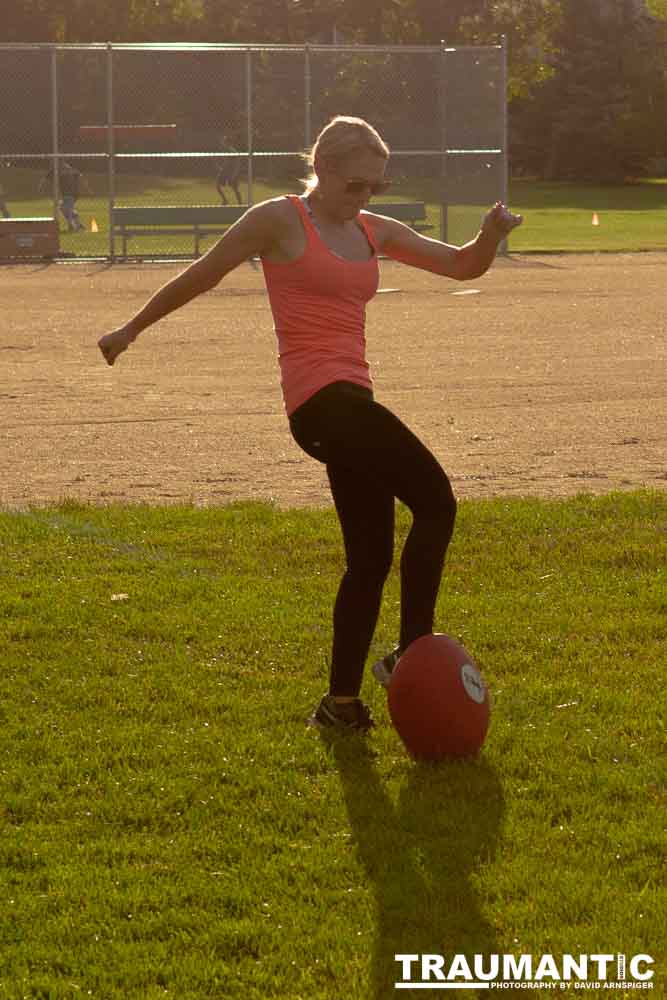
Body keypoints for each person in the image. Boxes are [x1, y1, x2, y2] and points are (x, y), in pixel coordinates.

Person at [98, 115, 522, 734]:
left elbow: (461, 266)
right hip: (320, 404)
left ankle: (340, 704)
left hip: (351, 399)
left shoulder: (373, 229)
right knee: (437, 502)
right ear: (322, 169)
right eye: (356, 184)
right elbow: (204, 272)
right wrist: (131, 328)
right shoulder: (280, 220)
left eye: (376, 187)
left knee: (371, 558)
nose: (365, 197)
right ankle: (410, 651)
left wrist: (488, 234)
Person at [39, 160, 87, 232]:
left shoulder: (66, 169)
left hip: (72, 193)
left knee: (67, 209)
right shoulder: (57, 170)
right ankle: (78, 224)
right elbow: (45, 178)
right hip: (67, 194)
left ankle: (71, 226)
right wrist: (41, 186)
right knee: (64, 208)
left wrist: (41, 186)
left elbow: (80, 176)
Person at [216, 138, 244, 206]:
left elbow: (236, 163)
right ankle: (225, 200)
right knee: (218, 186)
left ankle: (240, 204)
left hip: (231, 172)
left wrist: (234, 174)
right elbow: (226, 161)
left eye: (224, 142)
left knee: (235, 188)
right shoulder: (224, 150)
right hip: (225, 172)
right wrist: (221, 168)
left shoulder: (232, 150)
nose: (222, 143)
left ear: (228, 143)